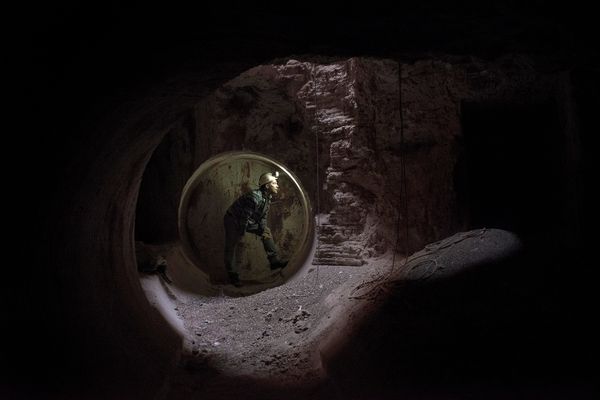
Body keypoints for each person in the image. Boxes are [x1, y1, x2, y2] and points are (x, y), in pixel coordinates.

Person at [223, 171, 288, 286]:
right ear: (267, 186)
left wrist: (262, 229)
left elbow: (263, 217)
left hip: (246, 220)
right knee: (231, 246)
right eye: (274, 183)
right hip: (232, 219)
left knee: (266, 231)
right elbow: (244, 217)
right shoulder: (255, 197)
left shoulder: (267, 198)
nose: (277, 185)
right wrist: (241, 233)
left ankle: (274, 262)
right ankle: (233, 277)